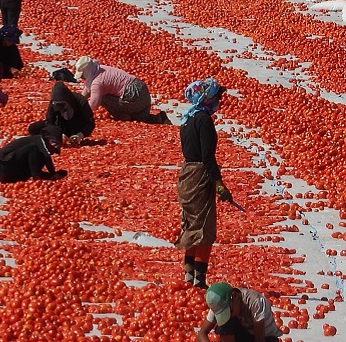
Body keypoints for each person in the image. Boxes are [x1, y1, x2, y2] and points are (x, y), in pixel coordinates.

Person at [176, 78, 232, 289]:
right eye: (217, 96)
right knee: (205, 230)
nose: (219, 100)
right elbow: (208, 158)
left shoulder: (187, 119)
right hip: (200, 177)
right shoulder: (204, 121)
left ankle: (188, 279)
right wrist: (219, 184)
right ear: (207, 97)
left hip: (187, 175)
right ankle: (199, 283)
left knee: (191, 226)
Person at [73, 56, 170, 124]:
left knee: (102, 98)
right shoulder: (99, 69)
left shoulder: (97, 82)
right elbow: (87, 90)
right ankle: (160, 118)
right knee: (139, 119)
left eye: (82, 75)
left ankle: (122, 115)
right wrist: (79, 102)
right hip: (143, 91)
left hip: (134, 96)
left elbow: (94, 104)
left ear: (86, 72)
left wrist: (81, 114)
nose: (83, 78)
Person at [197, 283, 283, 342]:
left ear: (235, 296)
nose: (230, 314)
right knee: (224, 325)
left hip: (265, 337)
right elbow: (202, 333)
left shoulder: (255, 301)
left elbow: (259, 339)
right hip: (242, 335)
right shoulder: (219, 304)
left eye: (230, 311)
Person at [0, 125, 67, 183]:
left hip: (11, 173)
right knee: (33, 148)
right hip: (3, 167)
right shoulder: (37, 142)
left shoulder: (41, 146)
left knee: (38, 158)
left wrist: (52, 175)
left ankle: (41, 178)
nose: (53, 152)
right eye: (54, 148)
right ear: (48, 141)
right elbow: (46, 157)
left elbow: (45, 158)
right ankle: (36, 179)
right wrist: (38, 178)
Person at [28, 82, 95, 145]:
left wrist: (80, 135)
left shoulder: (81, 101)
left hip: (77, 126)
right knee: (33, 128)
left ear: (67, 100)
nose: (60, 108)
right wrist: (58, 134)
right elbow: (49, 121)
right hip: (60, 126)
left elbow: (90, 122)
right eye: (57, 106)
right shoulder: (53, 104)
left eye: (62, 105)